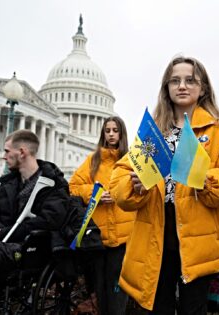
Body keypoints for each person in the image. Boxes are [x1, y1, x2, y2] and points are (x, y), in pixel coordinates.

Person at [110, 56, 219, 314]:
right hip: (155, 234)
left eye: (189, 80)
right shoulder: (153, 133)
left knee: (193, 309)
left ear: (202, 88)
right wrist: (134, 186)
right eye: (175, 81)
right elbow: (119, 177)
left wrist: (204, 179)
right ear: (167, 88)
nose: (182, 86)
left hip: (198, 238)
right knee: (158, 306)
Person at [0, 130, 69, 289]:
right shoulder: (9, 183)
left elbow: (49, 221)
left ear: (22, 152)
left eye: (7, 151)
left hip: (30, 251)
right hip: (2, 244)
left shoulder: (55, 185)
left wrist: (9, 232)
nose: (3, 156)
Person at [69, 116, 135, 315]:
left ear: (122, 133)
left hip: (124, 237)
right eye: (108, 131)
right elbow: (74, 187)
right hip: (98, 238)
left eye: (115, 130)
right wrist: (95, 195)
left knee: (118, 290)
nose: (112, 134)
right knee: (100, 290)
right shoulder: (93, 160)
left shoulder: (132, 161)